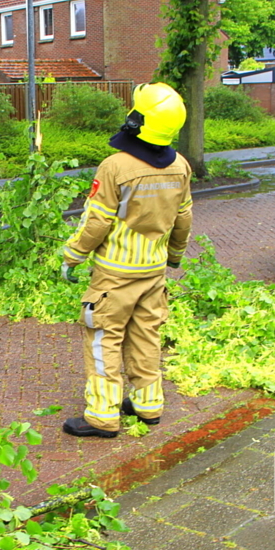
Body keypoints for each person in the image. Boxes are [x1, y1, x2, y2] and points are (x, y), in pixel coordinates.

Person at [60, 82, 193, 438]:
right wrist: (175, 255)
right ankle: (148, 406)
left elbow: (97, 220)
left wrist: (72, 256)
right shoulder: (180, 166)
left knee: (104, 338)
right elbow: (184, 217)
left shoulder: (115, 166)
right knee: (146, 336)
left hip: (115, 275)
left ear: (138, 121)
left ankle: (102, 416)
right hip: (154, 272)